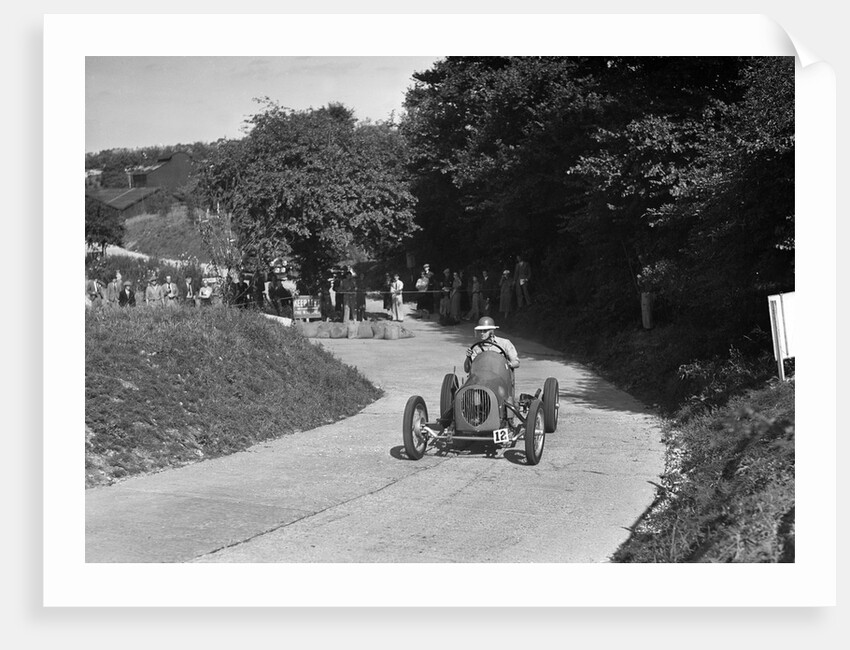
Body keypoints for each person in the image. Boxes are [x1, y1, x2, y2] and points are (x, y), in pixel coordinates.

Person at [464, 316, 520, 409]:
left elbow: (516, 362)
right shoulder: (476, 348)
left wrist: (509, 364)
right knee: (472, 395)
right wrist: (468, 357)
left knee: (505, 399)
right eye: (480, 331)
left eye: (485, 331)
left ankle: (507, 409)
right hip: (481, 381)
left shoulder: (505, 343)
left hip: (501, 379)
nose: (482, 333)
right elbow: (467, 369)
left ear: (492, 331)